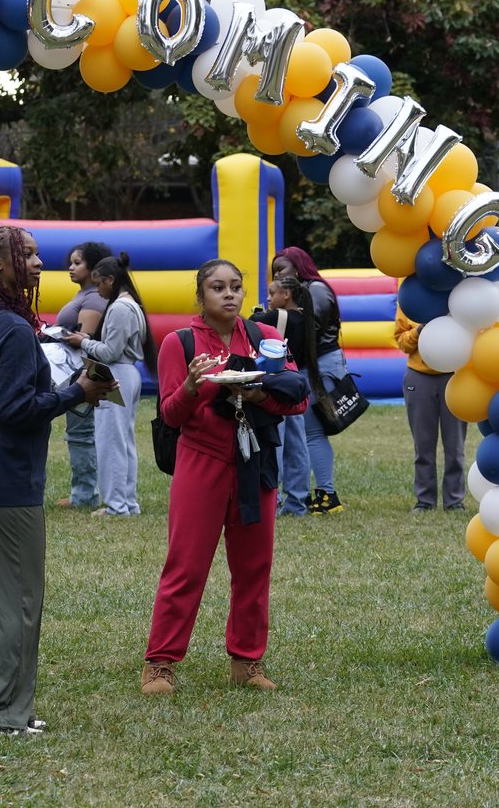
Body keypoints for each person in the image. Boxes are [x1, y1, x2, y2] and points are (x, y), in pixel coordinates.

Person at [0, 225, 111, 735]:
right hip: (8, 479)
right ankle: (2, 712)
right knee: (18, 603)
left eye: (39, 253)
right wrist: (77, 393)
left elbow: (2, 401)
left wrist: (67, 387)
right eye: (27, 254)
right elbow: (17, 410)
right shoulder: (15, 330)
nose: (39, 262)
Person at [141, 259, 309, 696]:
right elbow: (171, 415)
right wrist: (194, 387)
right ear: (202, 294)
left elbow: (296, 402)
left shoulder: (266, 337)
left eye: (235, 286)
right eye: (218, 287)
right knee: (186, 564)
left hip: (255, 463)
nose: (229, 294)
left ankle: (247, 661)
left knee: (255, 566)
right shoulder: (179, 344)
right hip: (201, 460)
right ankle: (160, 663)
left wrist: (257, 394)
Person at [62, 252, 156, 517]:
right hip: (125, 375)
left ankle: (116, 506)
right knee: (123, 442)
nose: (98, 291)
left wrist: (83, 342)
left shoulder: (120, 308)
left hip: (115, 375)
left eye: (99, 284)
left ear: (111, 280)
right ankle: (127, 502)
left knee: (111, 442)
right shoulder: (130, 305)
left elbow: (110, 352)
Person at [271, 246, 348, 513]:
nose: (278, 274)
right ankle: (320, 493)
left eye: (282, 269)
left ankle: (327, 495)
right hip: (312, 367)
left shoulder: (315, 290)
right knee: (308, 432)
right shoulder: (307, 290)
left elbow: (308, 333)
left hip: (321, 366)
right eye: (274, 271)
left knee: (312, 431)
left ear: (298, 266)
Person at [53, 241, 113, 511]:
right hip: (75, 371)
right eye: (71, 262)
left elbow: (83, 337)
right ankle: (84, 492)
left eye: (78, 263)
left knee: (80, 434)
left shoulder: (93, 298)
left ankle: (85, 495)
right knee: (79, 432)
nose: (71, 267)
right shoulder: (85, 295)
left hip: (82, 371)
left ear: (93, 267)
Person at [394, 306, 467, 512]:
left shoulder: (457, 301)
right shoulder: (410, 302)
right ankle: (425, 500)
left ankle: (454, 500)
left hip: (454, 376)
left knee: (455, 445)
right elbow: (402, 342)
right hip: (419, 376)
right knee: (423, 444)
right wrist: (420, 331)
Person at [252, 275, 314, 515]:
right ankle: (298, 501)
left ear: (285, 294)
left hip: (277, 387)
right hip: (296, 388)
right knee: (298, 447)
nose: (268, 298)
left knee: (276, 444)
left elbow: (253, 321)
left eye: (272, 292)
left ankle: (274, 500)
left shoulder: (278, 317)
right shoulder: (304, 317)